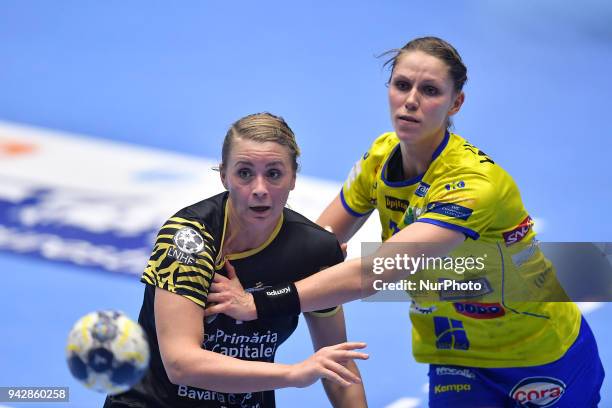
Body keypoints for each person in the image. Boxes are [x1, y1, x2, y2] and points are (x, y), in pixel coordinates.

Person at [204, 37, 605, 407]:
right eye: (402, 85)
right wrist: (228, 269)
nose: (410, 101)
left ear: (456, 103)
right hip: (455, 356)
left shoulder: (475, 185)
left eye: (429, 91)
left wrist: (257, 303)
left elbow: (378, 271)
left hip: (542, 352)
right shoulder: (380, 157)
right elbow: (315, 246)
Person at [104, 113, 368, 408]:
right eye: (244, 173)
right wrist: (294, 373)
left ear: (293, 178)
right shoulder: (189, 239)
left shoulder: (316, 251)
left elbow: (336, 363)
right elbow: (181, 364)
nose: (259, 188)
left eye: (274, 173)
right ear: (223, 176)